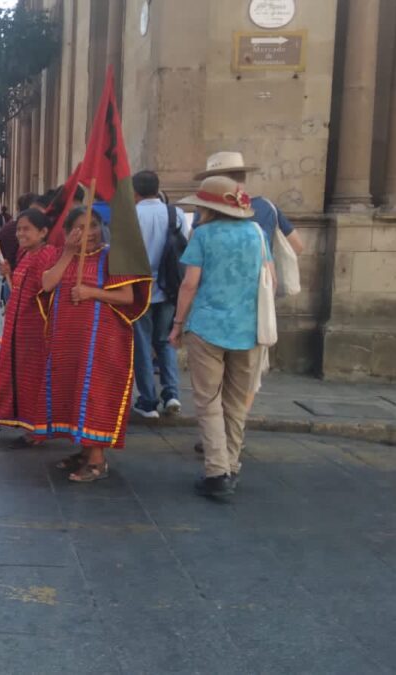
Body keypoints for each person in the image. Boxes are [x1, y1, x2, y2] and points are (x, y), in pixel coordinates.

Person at [191, 151, 305, 455]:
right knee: (243, 387)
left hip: (209, 315)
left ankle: (215, 448)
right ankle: (231, 447)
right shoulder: (267, 209)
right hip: (254, 311)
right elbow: (297, 246)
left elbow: (192, 272)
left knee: (209, 394)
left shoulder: (204, 218)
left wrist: (179, 321)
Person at [169, 176, 266, 498]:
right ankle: (232, 465)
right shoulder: (257, 233)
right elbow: (272, 281)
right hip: (249, 329)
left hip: (207, 327)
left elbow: (189, 284)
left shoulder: (204, 235)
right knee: (237, 403)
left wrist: (178, 323)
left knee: (208, 402)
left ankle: (217, 472)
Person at [40, 206, 152, 482]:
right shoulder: (61, 255)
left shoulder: (111, 256)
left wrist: (91, 292)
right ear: (67, 232)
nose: (87, 232)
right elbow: (47, 284)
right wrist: (67, 253)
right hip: (69, 340)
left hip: (102, 340)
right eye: (80, 227)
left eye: (93, 226)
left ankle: (97, 461)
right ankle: (84, 451)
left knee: (96, 394)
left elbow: (127, 296)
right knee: (74, 393)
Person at [0, 209, 58, 446]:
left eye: (26, 229)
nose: (20, 233)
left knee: (32, 379)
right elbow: (22, 287)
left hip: (34, 330)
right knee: (9, 375)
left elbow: (45, 288)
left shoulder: (48, 254)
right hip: (16, 328)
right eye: (19, 229)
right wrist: (10, 274)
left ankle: (36, 429)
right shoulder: (25, 253)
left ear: (43, 232)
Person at [131, 170, 184, 419]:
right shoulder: (176, 213)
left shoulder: (132, 216)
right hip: (170, 287)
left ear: (135, 191)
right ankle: (172, 392)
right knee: (165, 341)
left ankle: (148, 401)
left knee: (141, 345)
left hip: (139, 289)